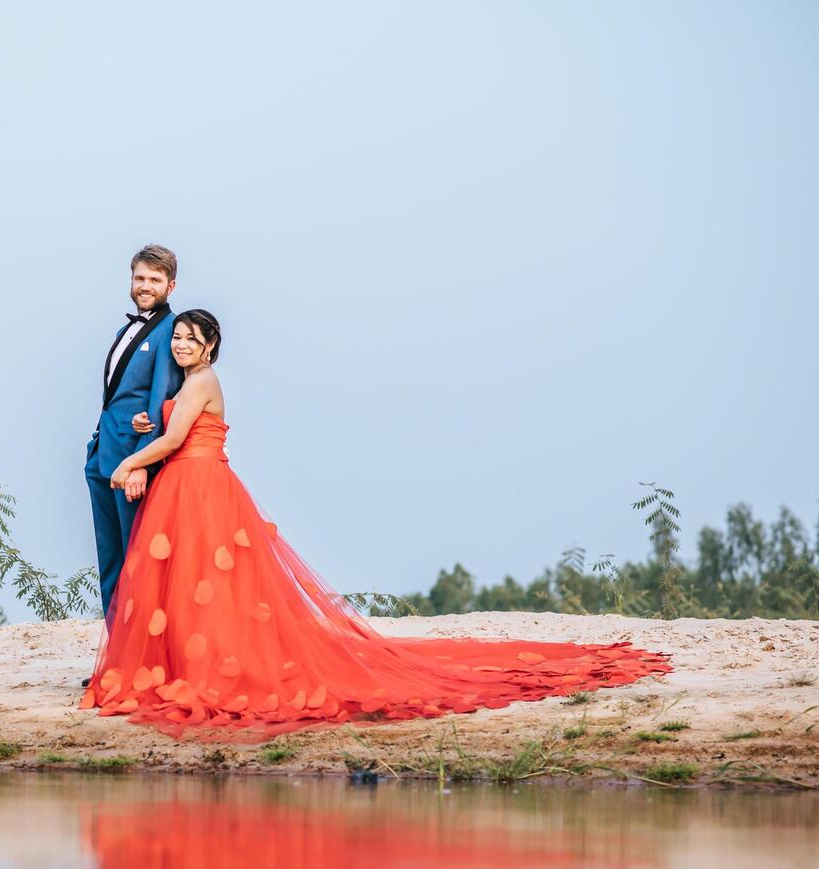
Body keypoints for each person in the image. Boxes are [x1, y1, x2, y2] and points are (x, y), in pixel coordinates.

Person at [79, 309, 672, 738]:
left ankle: (206, 668)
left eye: (192, 339)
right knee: (189, 586)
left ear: (211, 348)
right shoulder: (186, 383)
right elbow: (175, 427)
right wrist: (141, 436)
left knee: (206, 585)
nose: (182, 345)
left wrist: (130, 461)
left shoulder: (203, 381)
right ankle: (189, 662)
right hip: (188, 486)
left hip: (201, 487)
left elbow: (181, 436)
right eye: (178, 337)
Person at [84, 245, 186, 621]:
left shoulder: (171, 332)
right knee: (109, 562)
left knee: (138, 562)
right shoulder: (123, 329)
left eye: (154, 280)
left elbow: (161, 399)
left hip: (133, 466)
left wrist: (143, 463)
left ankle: (140, 661)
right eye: (140, 277)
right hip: (102, 460)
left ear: (170, 286)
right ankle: (115, 659)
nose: (145, 285)